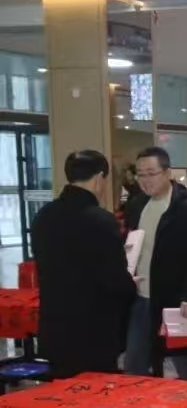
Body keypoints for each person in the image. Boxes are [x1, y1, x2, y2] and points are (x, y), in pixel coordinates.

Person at [31, 150, 137, 377]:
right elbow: (114, 279)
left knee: (61, 391)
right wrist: (131, 285)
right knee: (96, 392)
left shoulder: (43, 216)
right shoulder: (101, 220)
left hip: (55, 326)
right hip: (93, 331)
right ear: (99, 178)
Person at [124, 147, 187, 381]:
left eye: (151, 173)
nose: (145, 180)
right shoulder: (136, 205)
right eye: (140, 174)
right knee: (134, 364)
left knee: (186, 365)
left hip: (175, 301)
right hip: (141, 297)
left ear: (168, 173)